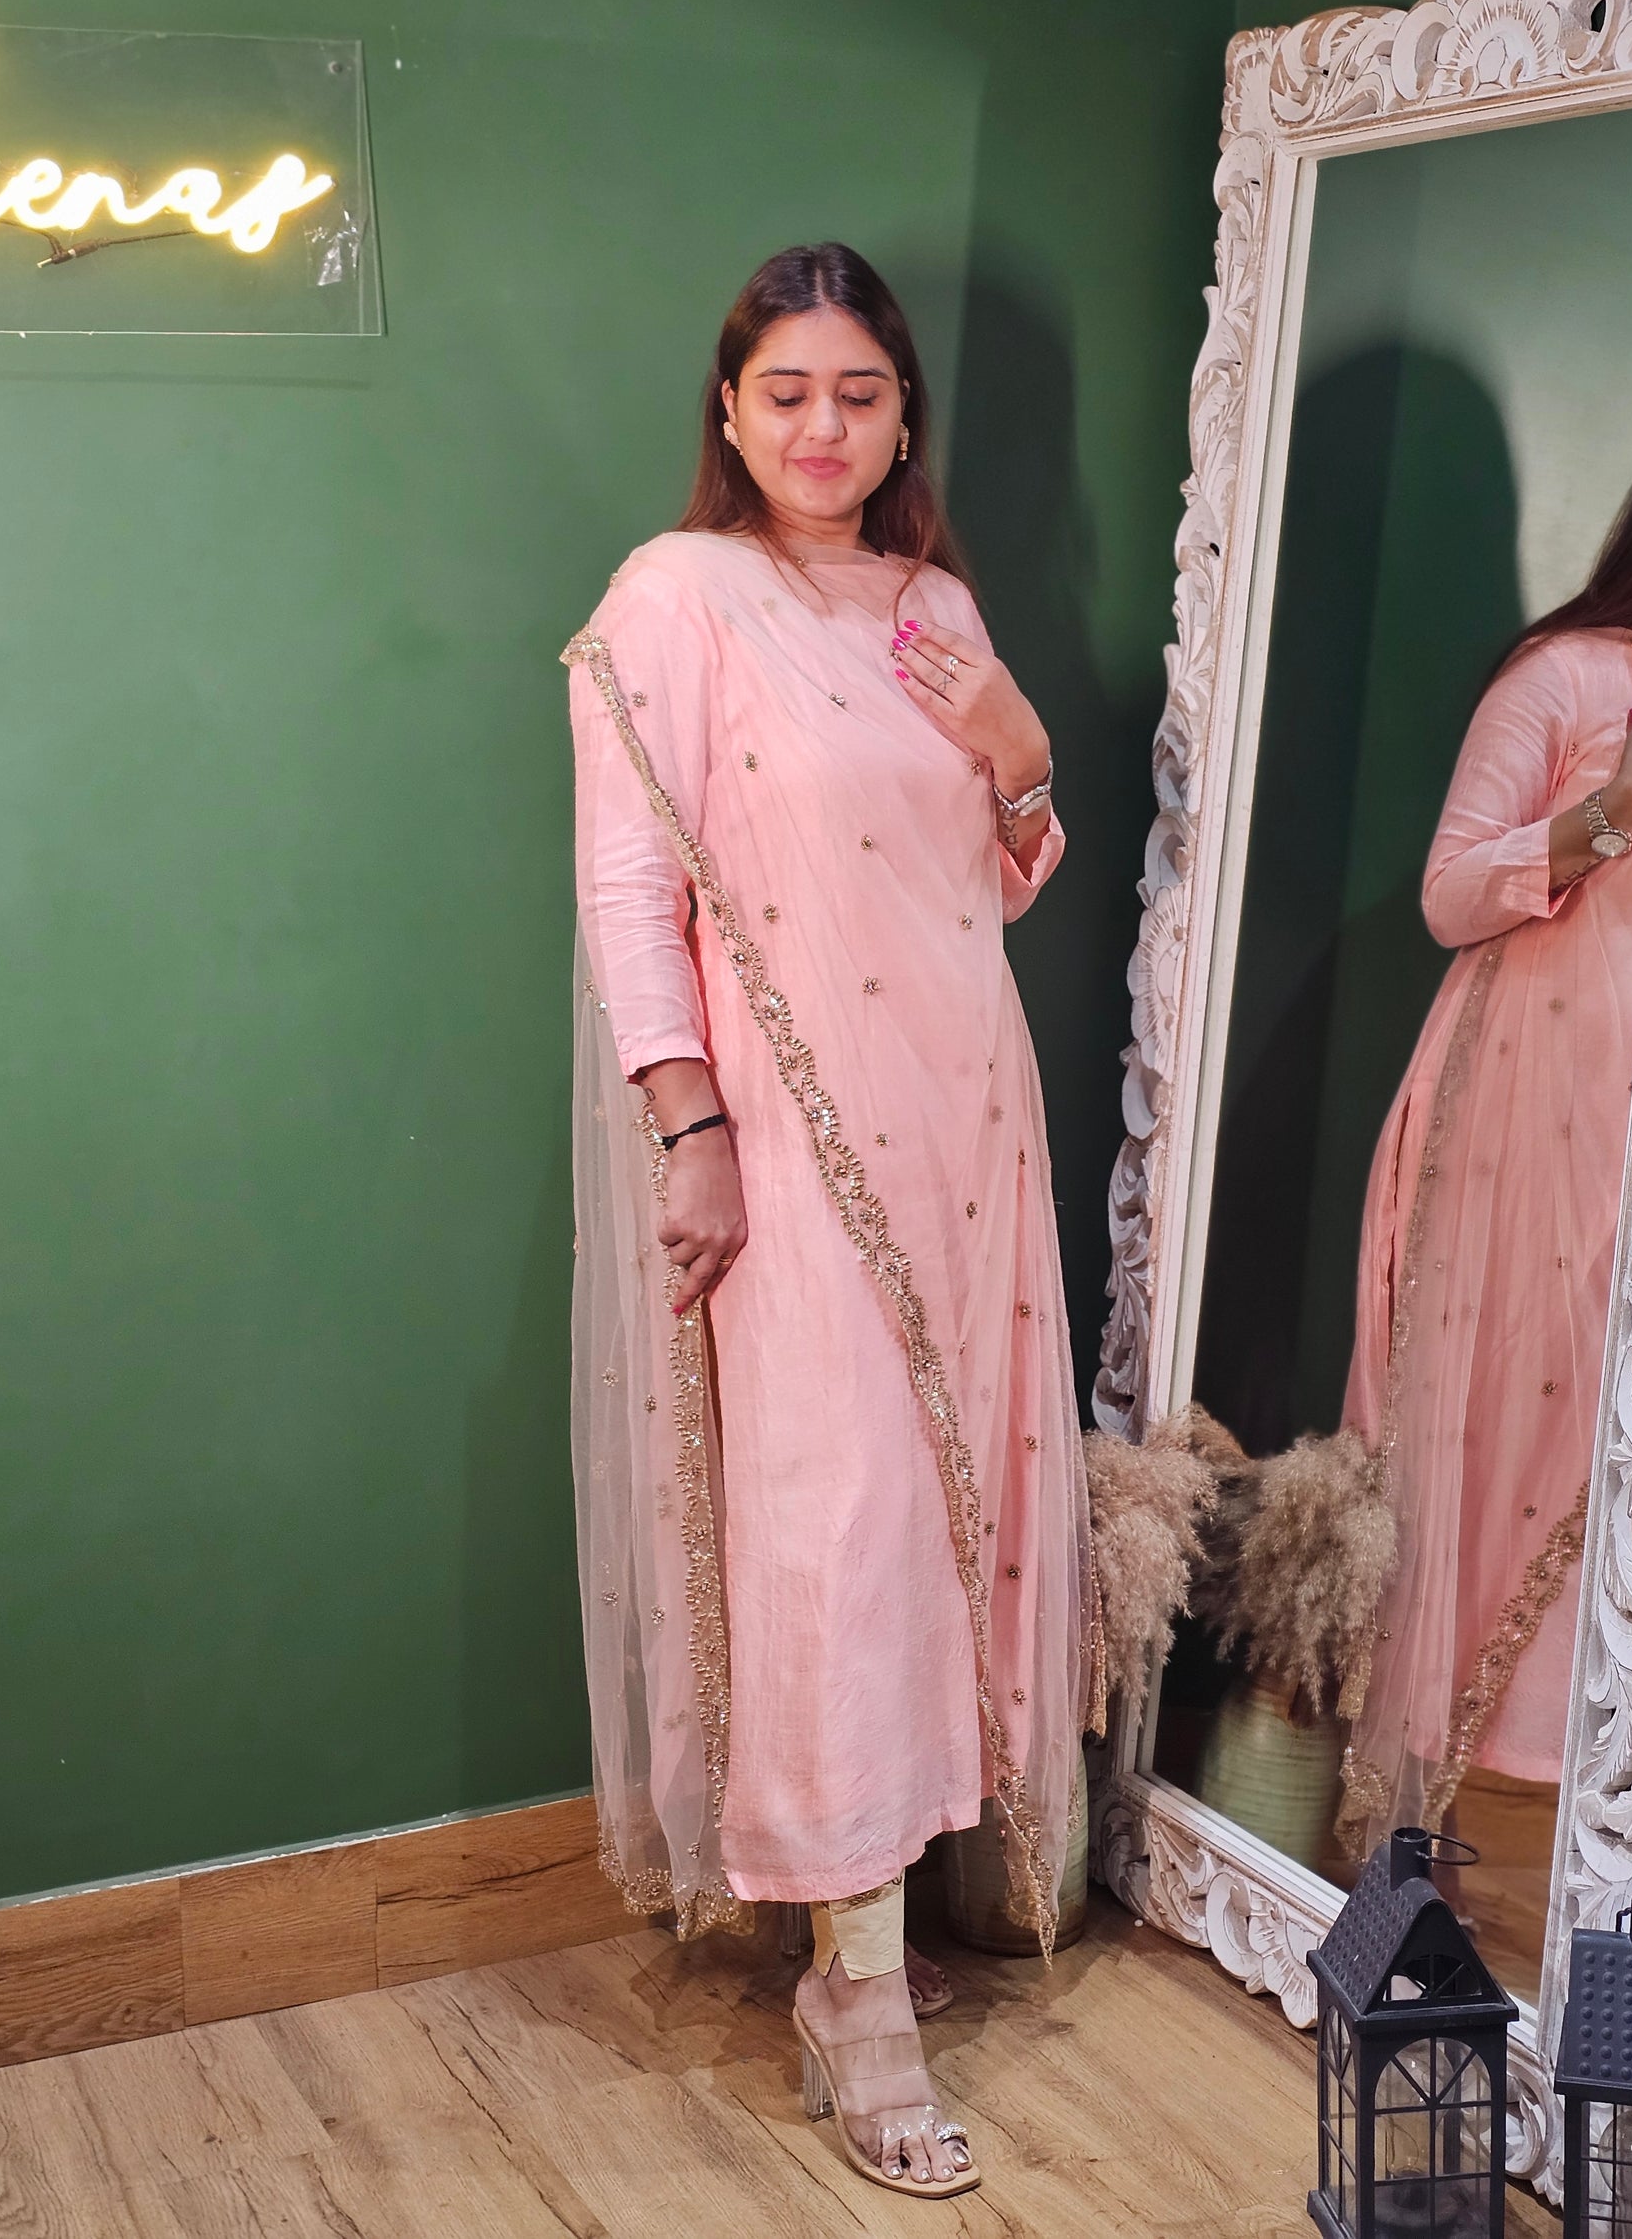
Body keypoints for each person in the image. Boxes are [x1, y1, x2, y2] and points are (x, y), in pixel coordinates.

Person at [563, 243, 1100, 2200]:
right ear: (728, 410)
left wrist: (1020, 749)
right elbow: (628, 887)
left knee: (945, 1525)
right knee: (835, 1536)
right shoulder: (674, 596)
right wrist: (689, 1123)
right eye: (784, 390)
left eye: (858, 393)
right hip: (790, 1138)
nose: (820, 426)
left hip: (965, 1119)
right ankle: (857, 1998)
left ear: (900, 418)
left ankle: (868, 1931)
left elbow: (995, 879)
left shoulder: (935, 608)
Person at [1337, 391, 1632, 1857]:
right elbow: (1448, 895)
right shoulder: (1570, 676)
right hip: (1517, 1123)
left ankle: (1588, 1879)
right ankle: (1411, 1859)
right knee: (1490, 1446)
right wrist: (1620, 805)